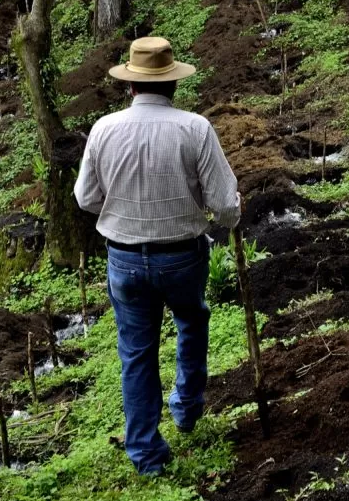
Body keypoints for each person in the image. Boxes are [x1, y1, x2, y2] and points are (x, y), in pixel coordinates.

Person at [73, 36, 240, 475]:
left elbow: (86, 198)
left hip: (124, 258)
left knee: (136, 351)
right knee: (192, 320)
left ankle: (146, 452)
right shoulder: (195, 128)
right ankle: (186, 406)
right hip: (183, 256)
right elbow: (224, 204)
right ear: (173, 86)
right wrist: (231, 217)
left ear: (131, 87)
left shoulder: (104, 130)